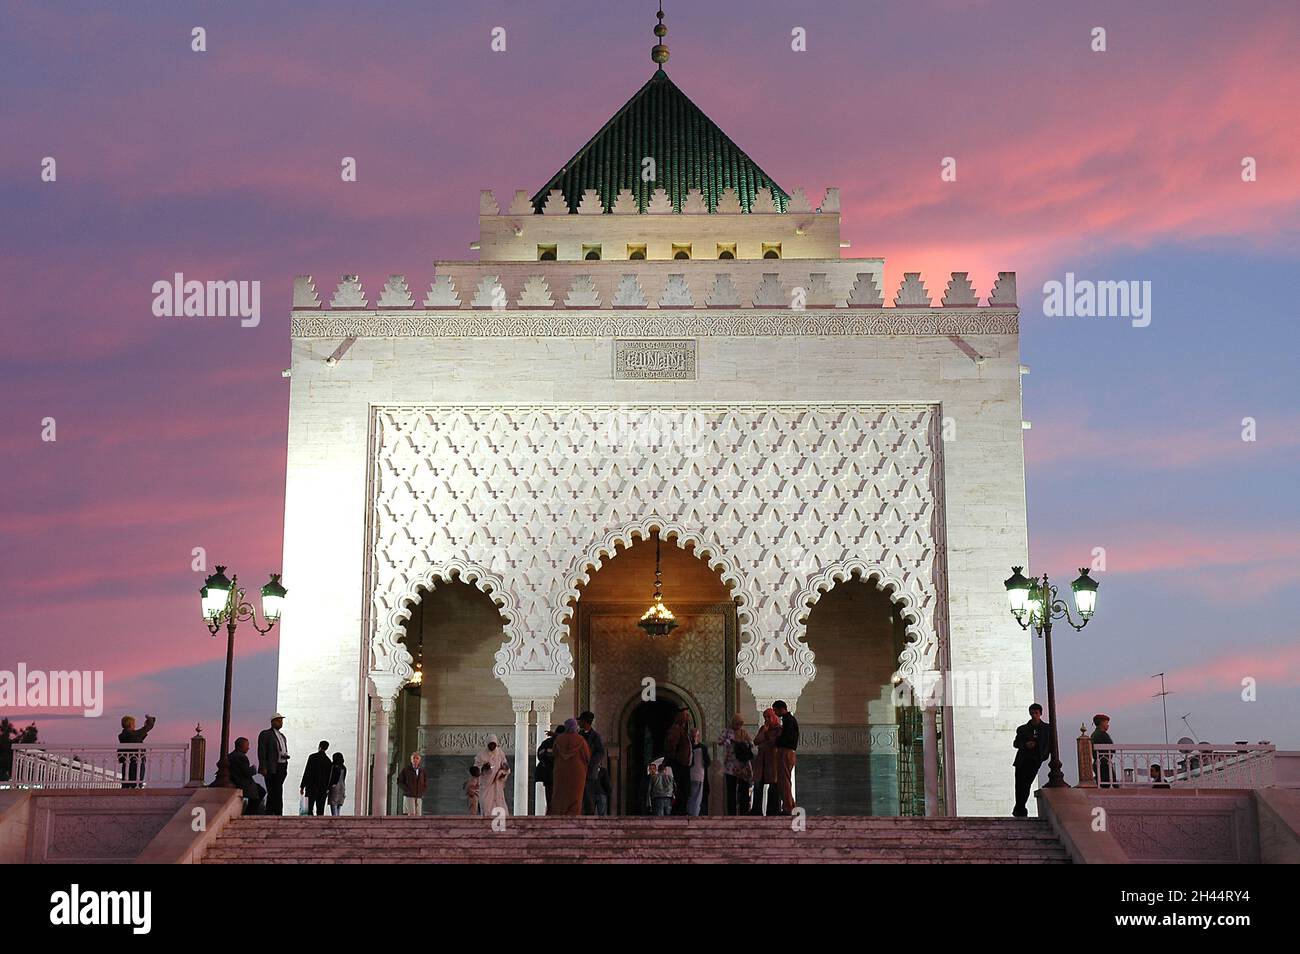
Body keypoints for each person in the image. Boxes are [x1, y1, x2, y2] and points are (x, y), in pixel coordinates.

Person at [1012, 703, 1052, 816]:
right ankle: (1019, 808)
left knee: (1026, 784)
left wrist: (1043, 756)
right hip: (1022, 760)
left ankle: (1020, 807)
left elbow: (1049, 744)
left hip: (1035, 760)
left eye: (1036, 713)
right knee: (1019, 785)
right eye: (1033, 713)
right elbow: (1016, 743)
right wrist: (1025, 744)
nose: (1034, 715)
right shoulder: (1022, 729)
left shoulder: (1047, 729)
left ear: (1040, 714)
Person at [548, 718, 590, 816]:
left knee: (560, 795)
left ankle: (558, 815)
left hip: (560, 772)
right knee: (575, 796)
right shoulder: (581, 740)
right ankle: (574, 816)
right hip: (577, 773)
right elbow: (587, 756)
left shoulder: (559, 739)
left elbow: (554, 754)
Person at [717, 715, 754, 815]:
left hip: (743, 765)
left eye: (740, 724)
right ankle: (731, 813)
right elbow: (720, 741)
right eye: (737, 723)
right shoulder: (727, 732)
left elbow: (751, 743)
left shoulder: (743, 732)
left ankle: (744, 812)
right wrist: (730, 742)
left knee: (744, 790)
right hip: (730, 765)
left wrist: (746, 744)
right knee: (731, 791)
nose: (739, 726)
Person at [750, 707, 782, 815]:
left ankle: (773, 811)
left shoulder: (779, 729)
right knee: (758, 785)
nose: (767, 719)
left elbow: (775, 742)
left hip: (772, 761)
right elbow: (756, 741)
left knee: (774, 786)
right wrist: (764, 731)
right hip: (761, 760)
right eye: (765, 717)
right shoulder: (764, 728)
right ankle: (756, 810)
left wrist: (767, 739)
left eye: (769, 717)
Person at [257, 714, 290, 815]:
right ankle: (274, 812)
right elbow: (262, 751)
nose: (281, 723)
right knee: (273, 790)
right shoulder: (265, 734)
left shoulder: (282, 736)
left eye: (281, 721)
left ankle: (273, 811)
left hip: (282, 766)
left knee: (278, 790)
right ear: (273, 722)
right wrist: (263, 767)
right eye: (279, 721)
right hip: (271, 767)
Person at [663, 707, 693, 815]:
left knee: (685, 789)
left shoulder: (682, 730)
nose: (687, 717)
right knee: (682, 789)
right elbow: (671, 746)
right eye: (686, 715)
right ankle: (679, 812)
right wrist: (670, 759)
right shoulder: (675, 729)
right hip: (679, 764)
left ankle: (681, 811)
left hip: (684, 764)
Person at [772, 700, 799, 815]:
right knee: (785, 780)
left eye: (775, 711)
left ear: (780, 709)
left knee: (784, 781)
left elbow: (788, 739)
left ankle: (788, 808)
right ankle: (790, 805)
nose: (775, 714)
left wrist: (776, 740)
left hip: (786, 752)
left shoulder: (788, 720)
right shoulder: (789, 720)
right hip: (789, 752)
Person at [578, 711, 607, 816]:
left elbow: (600, 752)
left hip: (589, 773)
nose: (578, 722)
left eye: (580, 720)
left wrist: (590, 762)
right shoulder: (580, 734)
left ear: (585, 722)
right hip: (580, 771)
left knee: (589, 797)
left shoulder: (595, 736)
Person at [474, 734, 511, 816]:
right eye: (490, 745)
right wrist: (483, 768)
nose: (492, 746)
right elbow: (476, 770)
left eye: (494, 745)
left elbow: (506, 767)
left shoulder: (500, 753)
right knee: (486, 803)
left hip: (497, 784)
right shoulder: (481, 755)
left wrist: (503, 773)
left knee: (499, 803)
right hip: (486, 785)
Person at [228, 737, 265, 815]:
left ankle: (250, 812)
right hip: (243, 783)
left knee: (258, 792)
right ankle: (249, 813)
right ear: (241, 746)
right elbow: (247, 772)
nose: (248, 748)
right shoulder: (241, 757)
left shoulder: (230, 756)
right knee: (261, 791)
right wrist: (253, 769)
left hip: (237, 781)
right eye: (247, 745)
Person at [118, 714, 156, 789]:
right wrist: (149, 721)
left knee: (126, 784)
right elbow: (146, 729)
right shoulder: (132, 735)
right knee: (136, 785)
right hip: (136, 762)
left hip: (127, 762)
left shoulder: (123, 735)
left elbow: (138, 736)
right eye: (133, 724)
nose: (135, 725)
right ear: (130, 724)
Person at [299, 741, 332, 816]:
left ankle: (309, 824)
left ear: (319, 746)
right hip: (323, 788)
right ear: (327, 748)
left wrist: (302, 786)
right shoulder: (328, 761)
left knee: (308, 808)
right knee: (320, 809)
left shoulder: (312, 757)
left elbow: (307, 772)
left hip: (311, 787)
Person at [536, 725, 561, 808]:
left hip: (548, 775)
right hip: (556, 775)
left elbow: (540, 755)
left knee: (549, 796)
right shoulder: (562, 744)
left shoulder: (547, 743)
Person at [687, 727, 710, 816]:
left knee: (693, 796)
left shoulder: (690, 747)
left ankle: (692, 813)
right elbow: (707, 762)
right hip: (698, 775)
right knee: (696, 796)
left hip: (695, 775)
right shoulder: (701, 748)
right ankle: (693, 814)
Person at [397, 752, 427, 816]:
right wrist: (407, 789)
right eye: (414, 758)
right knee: (411, 814)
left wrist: (422, 790)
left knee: (418, 814)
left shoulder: (422, 771)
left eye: (417, 758)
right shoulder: (406, 770)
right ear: (411, 760)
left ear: (419, 760)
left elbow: (425, 782)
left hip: (418, 796)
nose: (415, 760)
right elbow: (399, 781)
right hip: (409, 796)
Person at [1091, 714, 1114, 788]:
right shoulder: (1102, 734)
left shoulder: (1094, 734)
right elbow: (1112, 748)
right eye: (1106, 723)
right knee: (1109, 785)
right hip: (1103, 763)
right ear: (1101, 723)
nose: (1108, 725)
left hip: (1100, 763)